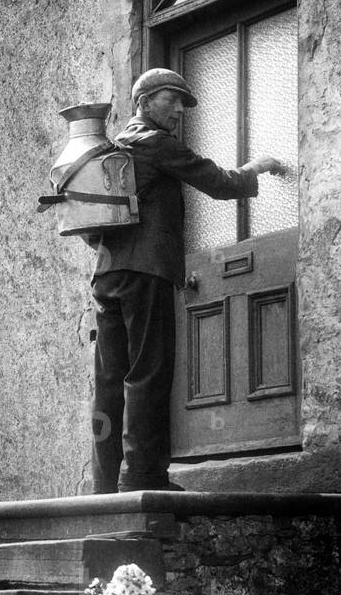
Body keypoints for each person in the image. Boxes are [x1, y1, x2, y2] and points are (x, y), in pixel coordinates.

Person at [90, 68, 284, 494]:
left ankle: (104, 484)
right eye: (171, 99)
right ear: (143, 103)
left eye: (183, 102)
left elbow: (91, 227)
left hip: (107, 276)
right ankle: (143, 477)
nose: (179, 110)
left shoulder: (110, 150)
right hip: (147, 275)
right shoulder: (155, 143)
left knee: (110, 379)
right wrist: (259, 165)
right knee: (149, 373)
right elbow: (219, 183)